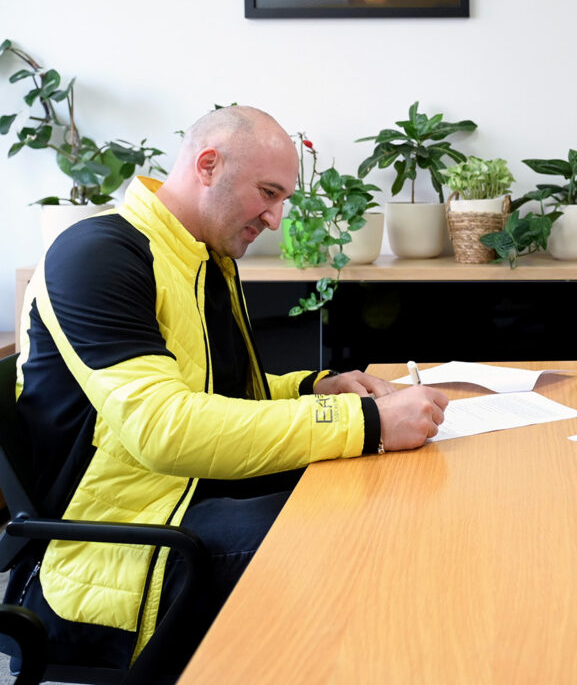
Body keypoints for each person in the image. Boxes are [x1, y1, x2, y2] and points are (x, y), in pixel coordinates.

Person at [4, 105, 449, 680]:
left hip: (188, 498)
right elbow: (166, 428)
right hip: (118, 543)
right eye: (268, 193)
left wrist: (318, 388)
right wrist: (367, 422)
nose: (275, 218)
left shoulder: (203, 256)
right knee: (358, 533)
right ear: (208, 164)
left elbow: (222, 396)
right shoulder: (98, 257)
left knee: (379, 498)